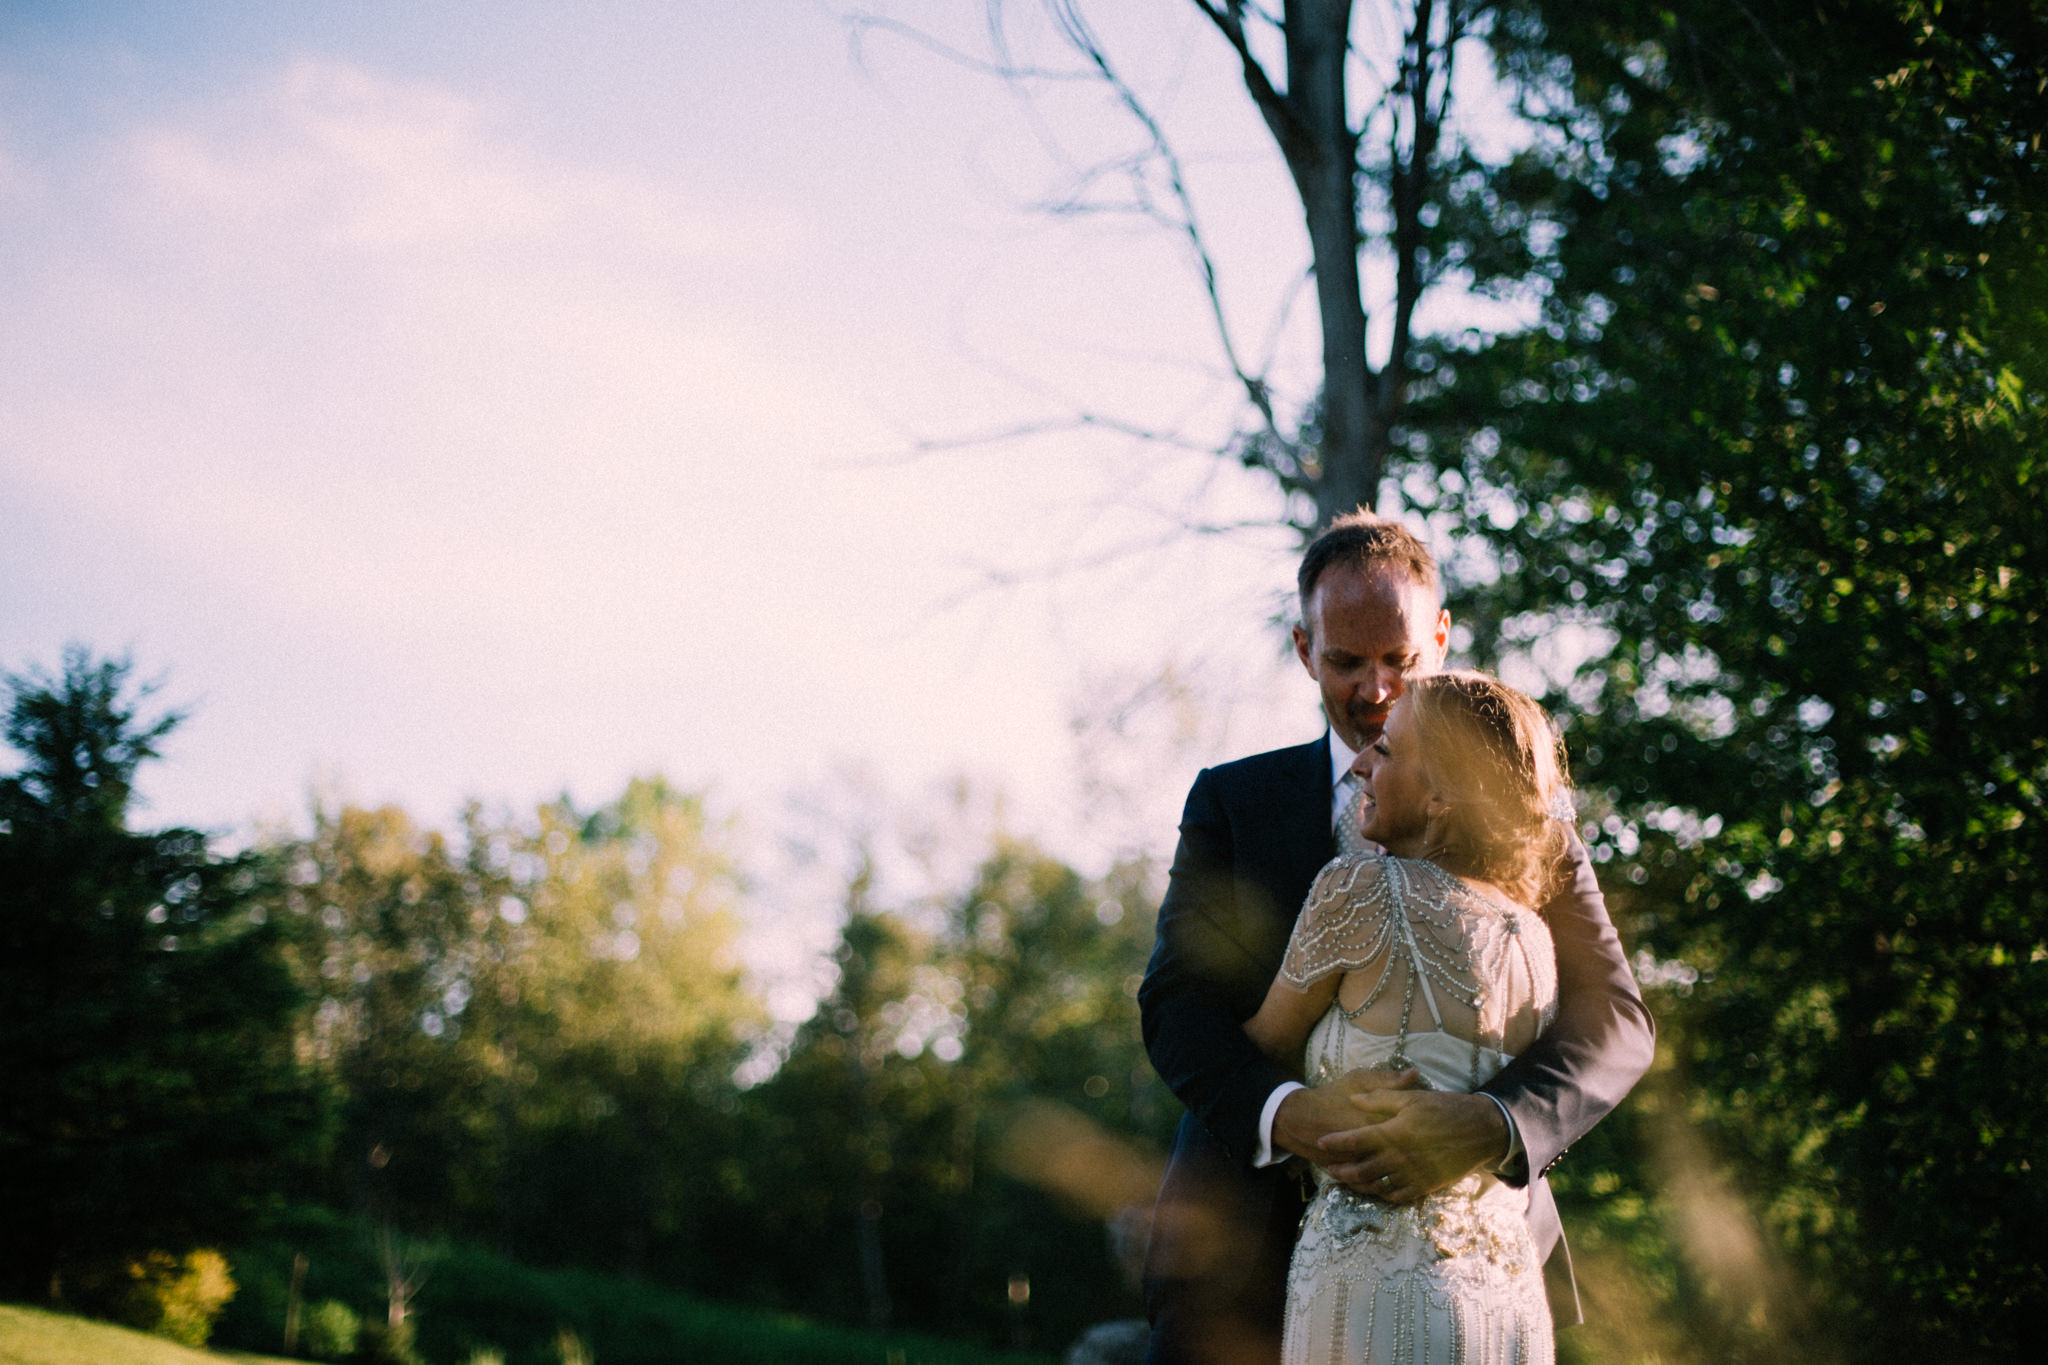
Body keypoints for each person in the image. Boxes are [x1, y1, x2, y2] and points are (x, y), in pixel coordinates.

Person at [1137, 512, 1653, 1365]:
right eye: (1346, 660)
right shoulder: (1232, 803)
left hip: (1469, 1270)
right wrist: (1293, 1115)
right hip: (1236, 1262)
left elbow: (1617, 1022)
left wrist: (1489, 1124)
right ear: (1305, 649)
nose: (1375, 688)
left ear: (1441, 637)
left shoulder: (1533, 825)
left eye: (1401, 660)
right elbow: (1176, 1007)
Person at [1243, 670, 1570, 1363]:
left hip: (1373, 1292)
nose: (1361, 761)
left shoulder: (1356, 887)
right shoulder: (1534, 936)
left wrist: (1307, 1104)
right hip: (1505, 1295)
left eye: (1387, 750)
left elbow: (1257, 1046)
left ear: (1441, 797)